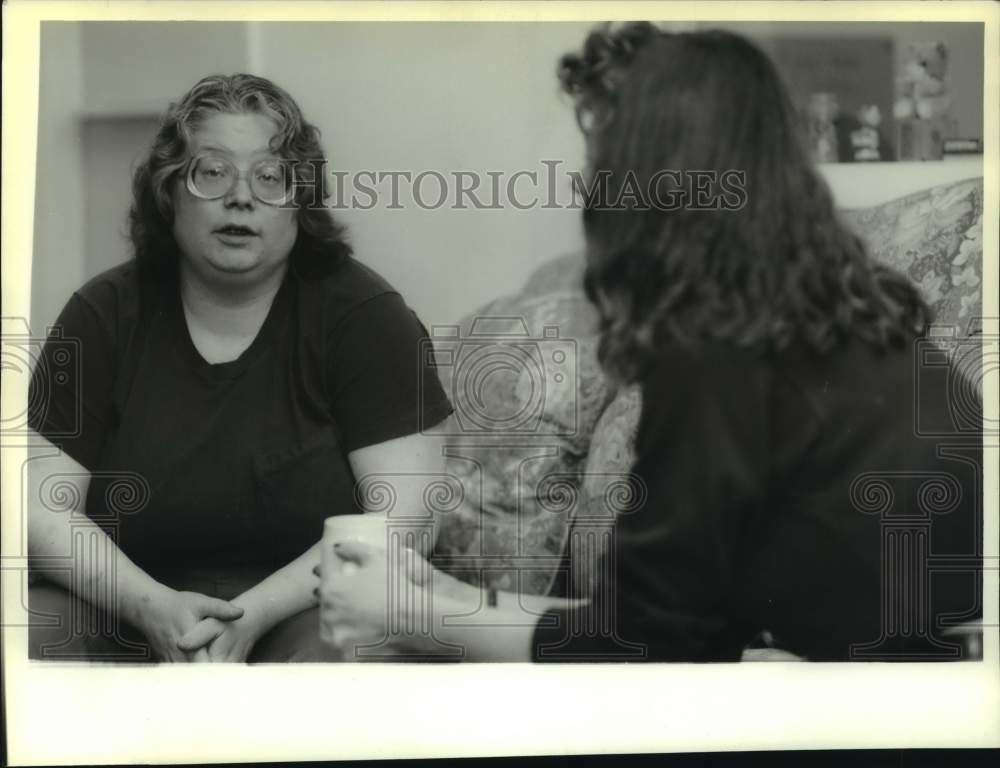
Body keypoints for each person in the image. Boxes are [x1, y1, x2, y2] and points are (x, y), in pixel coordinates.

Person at [318, 25, 983, 662]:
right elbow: (658, 616)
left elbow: (640, 651)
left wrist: (411, 619)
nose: (590, 184)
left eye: (605, 158)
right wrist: (452, 597)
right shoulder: (842, 318)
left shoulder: (720, 347)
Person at [27, 74, 453, 662]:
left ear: (301, 202)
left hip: (305, 609)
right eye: (212, 172)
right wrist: (153, 606)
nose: (241, 197)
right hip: (124, 604)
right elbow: (38, 506)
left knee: (350, 657)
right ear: (168, 191)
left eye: (271, 177)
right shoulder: (102, 314)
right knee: (23, 633)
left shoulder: (365, 317)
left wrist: (252, 616)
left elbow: (408, 518)